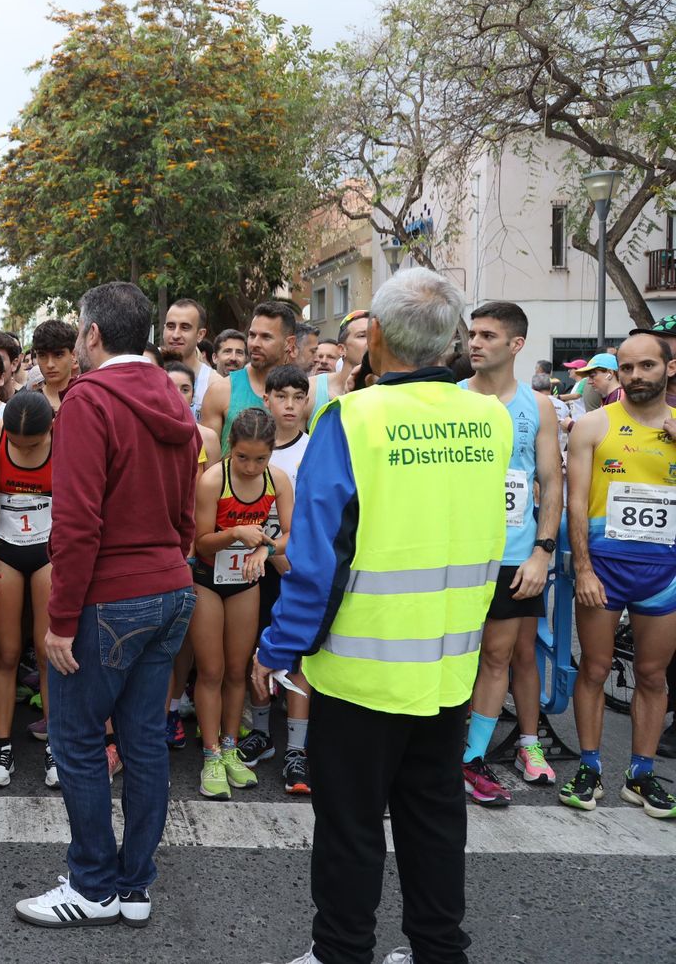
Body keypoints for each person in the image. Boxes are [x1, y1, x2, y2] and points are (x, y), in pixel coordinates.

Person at [255, 267, 510, 964]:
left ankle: (341, 952)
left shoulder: (355, 419)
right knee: (435, 818)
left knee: (351, 825)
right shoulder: (488, 415)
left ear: (381, 341)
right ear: (450, 338)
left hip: (361, 671)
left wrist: (277, 647)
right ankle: (438, 951)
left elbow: (317, 558)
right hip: (448, 665)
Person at [15, 282, 198, 930]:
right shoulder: (172, 400)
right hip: (172, 586)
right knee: (146, 742)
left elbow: (77, 520)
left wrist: (60, 620)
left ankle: (92, 883)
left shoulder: (90, 401)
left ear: (91, 336)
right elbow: (185, 513)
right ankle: (133, 885)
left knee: (77, 738)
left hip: (112, 595)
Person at [561, 330, 676, 819]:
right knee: (595, 667)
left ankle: (641, 774)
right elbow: (576, 503)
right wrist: (583, 568)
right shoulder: (591, 425)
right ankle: (589, 766)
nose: (635, 376)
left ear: (668, 368)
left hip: (663, 571)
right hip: (604, 569)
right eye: (627, 367)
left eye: (647, 366)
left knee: (652, 674)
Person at [458, 302, 563, 805]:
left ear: (516, 345)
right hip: (457, 556)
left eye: (487, 335)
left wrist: (542, 553)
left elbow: (551, 482)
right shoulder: (449, 400)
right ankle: (439, 752)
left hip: (514, 556)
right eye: (471, 334)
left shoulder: (537, 405)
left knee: (499, 655)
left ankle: (472, 757)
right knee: (454, 656)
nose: (474, 343)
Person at [190, 408, 290, 799]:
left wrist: (265, 549)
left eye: (260, 458)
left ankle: (231, 748)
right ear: (230, 447)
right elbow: (200, 543)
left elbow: (288, 535)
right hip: (208, 580)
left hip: (245, 581)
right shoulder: (214, 479)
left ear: (272, 453)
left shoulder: (277, 480)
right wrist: (233, 531)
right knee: (211, 670)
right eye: (243, 457)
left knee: (237, 671)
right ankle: (211, 754)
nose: (251, 467)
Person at [240, 364, 312, 794]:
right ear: (265, 399)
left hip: (298, 569)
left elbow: (313, 519)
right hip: (256, 572)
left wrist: (283, 555)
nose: (289, 405)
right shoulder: (252, 449)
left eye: (297, 397)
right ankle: (263, 733)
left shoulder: (315, 449)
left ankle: (297, 750)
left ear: (307, 401)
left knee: (301, 660)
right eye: (280, 396)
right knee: (259, 652)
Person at [0, 391, 55, 789]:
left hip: (47, 551)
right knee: (7, 652)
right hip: (5, 551)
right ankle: (2, 743)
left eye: (34, 444)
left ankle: (55, 746)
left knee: (48, 651)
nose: (24, 449)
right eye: (18, 442)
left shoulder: (65, 442)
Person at [202, 302, 296, 452]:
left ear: (289, 343)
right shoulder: (221, 391)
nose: (254, 344)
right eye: (252, 335)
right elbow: (206, 462)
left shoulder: (303, 395)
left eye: (266, 337)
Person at [307, 311, 369, 426]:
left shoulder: (391, 390)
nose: (371, 341)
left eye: (375, 336)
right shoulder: (311, 389)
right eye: (362, 336)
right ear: (341, 349)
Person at [161, 299, 215, 417]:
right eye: (170, 326)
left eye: (185, 327)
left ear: (200, 334)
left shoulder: (213, 384)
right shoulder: (147, 369)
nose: (175, 335)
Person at [164, 362, 221, 470]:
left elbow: (211, 483)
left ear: (193, 395)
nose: (178, 395)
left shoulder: (209, 438)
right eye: (170, 388)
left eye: (185, 390)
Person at [31, 319, 77, 413]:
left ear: (73, 355)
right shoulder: (27, 404)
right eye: (42, 355)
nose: (50, 364)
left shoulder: (88, 399)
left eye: (58, 355)